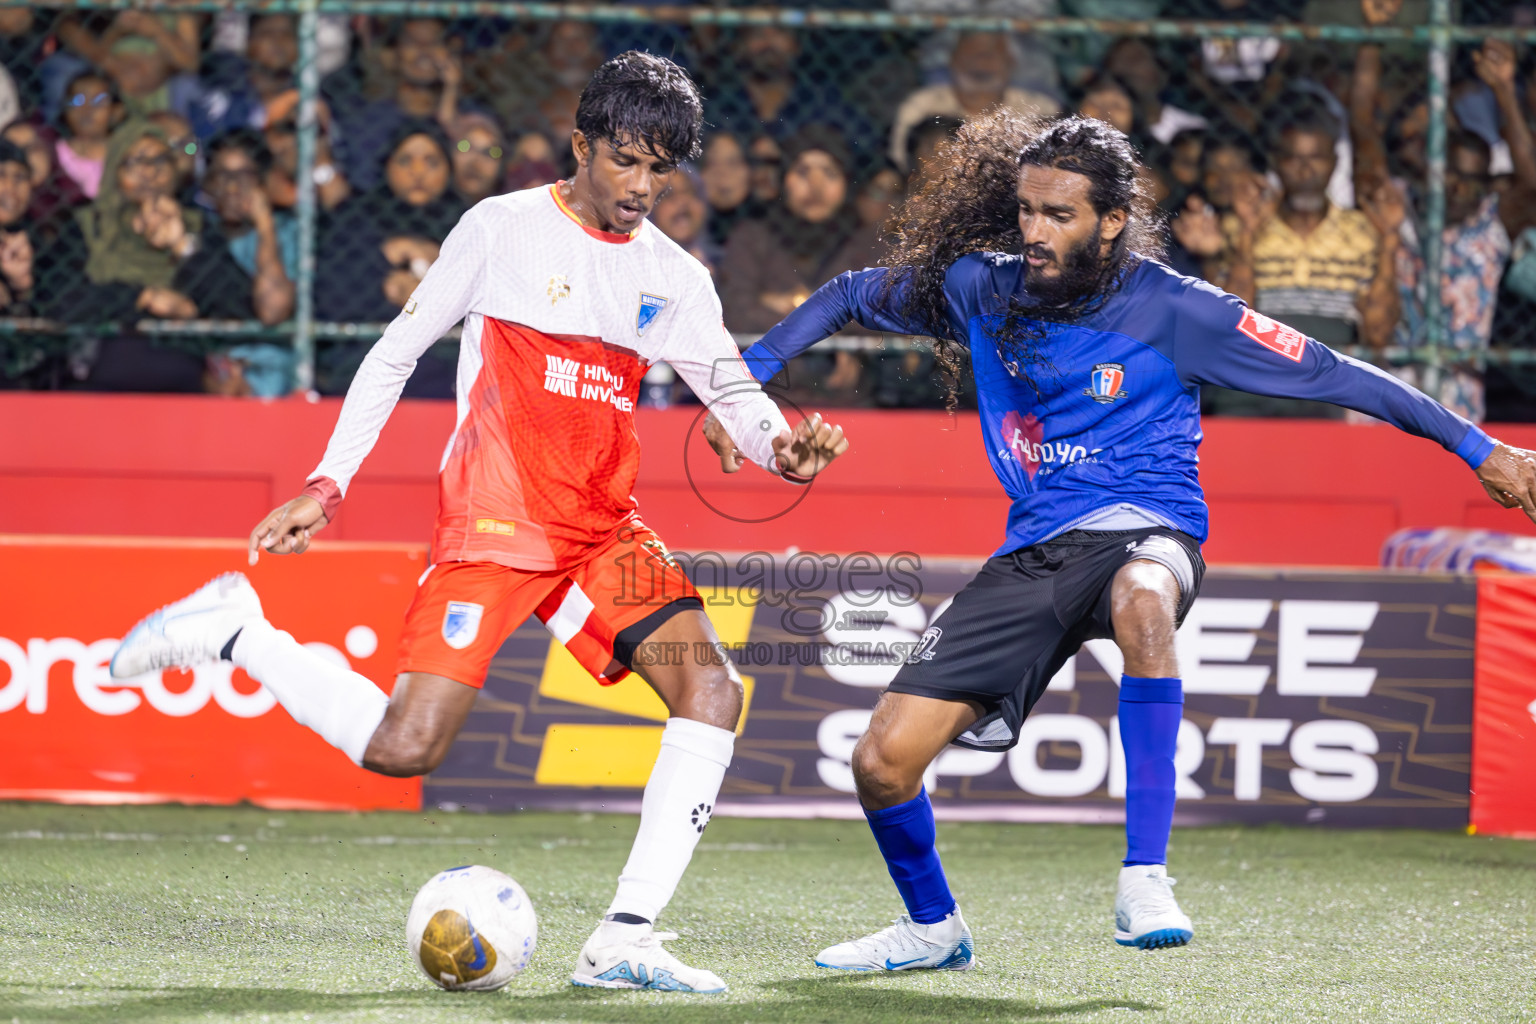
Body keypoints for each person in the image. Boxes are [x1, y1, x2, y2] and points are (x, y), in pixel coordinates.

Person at [704, 112, 1536, 970]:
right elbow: (849, 295)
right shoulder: (981, 287)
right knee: (880, 762)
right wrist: (745, 380)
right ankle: (932, 927)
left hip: (1149, 527)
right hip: (1035, 553)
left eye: (1058, 216)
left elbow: (1333, 372)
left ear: (1110, 222)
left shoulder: (1179, 309)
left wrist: (1483, 449)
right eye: (1026, 210)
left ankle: (1145, 876)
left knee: (1144, 599)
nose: (1034, 231)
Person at [109, 52, 850, 994]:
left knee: (714, 693)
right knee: (403, 749)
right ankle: (236, 630)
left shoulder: (674, 274)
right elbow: (391, 356)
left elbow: (730, 387)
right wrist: (327, 484)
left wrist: (779, 443)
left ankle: (624, 938)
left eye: (662, 168)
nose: (642, 186)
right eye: (625, 160)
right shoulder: (500, 230)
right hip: (495, 526)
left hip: (599, 534)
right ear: (581, 147)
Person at [889, 32, 1060, 175]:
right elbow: (901, 166)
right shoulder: (923, 105)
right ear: (952, 61)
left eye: (991, 55)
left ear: (1011, 63)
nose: (981, 63)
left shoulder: (1040, 108)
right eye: (971, 54)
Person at [54, 71, 119, 199]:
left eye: (98, 101)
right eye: (77, 101)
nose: (87, 110)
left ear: (115, 111)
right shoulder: (55, 155)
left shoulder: (124, 153)